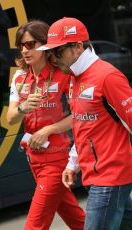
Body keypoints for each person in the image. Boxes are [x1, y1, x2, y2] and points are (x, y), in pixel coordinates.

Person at [37, 17, 132, 230]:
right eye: (49, 52)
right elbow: (83, 127)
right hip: (94, 174)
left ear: (78, 47)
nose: (52, 58)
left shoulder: (108, 76)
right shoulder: (73, 79)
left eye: (57, 51)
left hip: (110, 176)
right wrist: (73, 163)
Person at [7, 20, 85, 230]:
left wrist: (49, 129)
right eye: (21, 46)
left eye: (30, 44)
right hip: (33, 158)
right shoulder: (19, 76)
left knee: (34, 225)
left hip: (57, 158)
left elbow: (80, 114)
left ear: (45, 45)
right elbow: (10, 118)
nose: (25, 50)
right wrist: (23, 107)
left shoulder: (64, 75)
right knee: (77, 220)